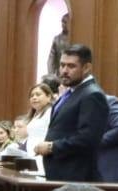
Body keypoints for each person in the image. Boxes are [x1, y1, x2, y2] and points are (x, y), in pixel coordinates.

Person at [34, 45, 108, 182]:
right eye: (62, 65)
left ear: (86, 68)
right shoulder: (71, 92)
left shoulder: (92, 95)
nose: (64, 71)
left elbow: (87, 139)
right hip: (61, 175)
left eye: (71, 66)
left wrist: (52, 147)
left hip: (76, 179)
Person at [24, 82, 55, 173]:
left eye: (38, 95)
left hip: (43, 155)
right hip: (31, 156)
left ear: (49, 97)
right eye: (31, 96)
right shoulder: (35, 114)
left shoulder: (51, 112)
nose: (34, 97)